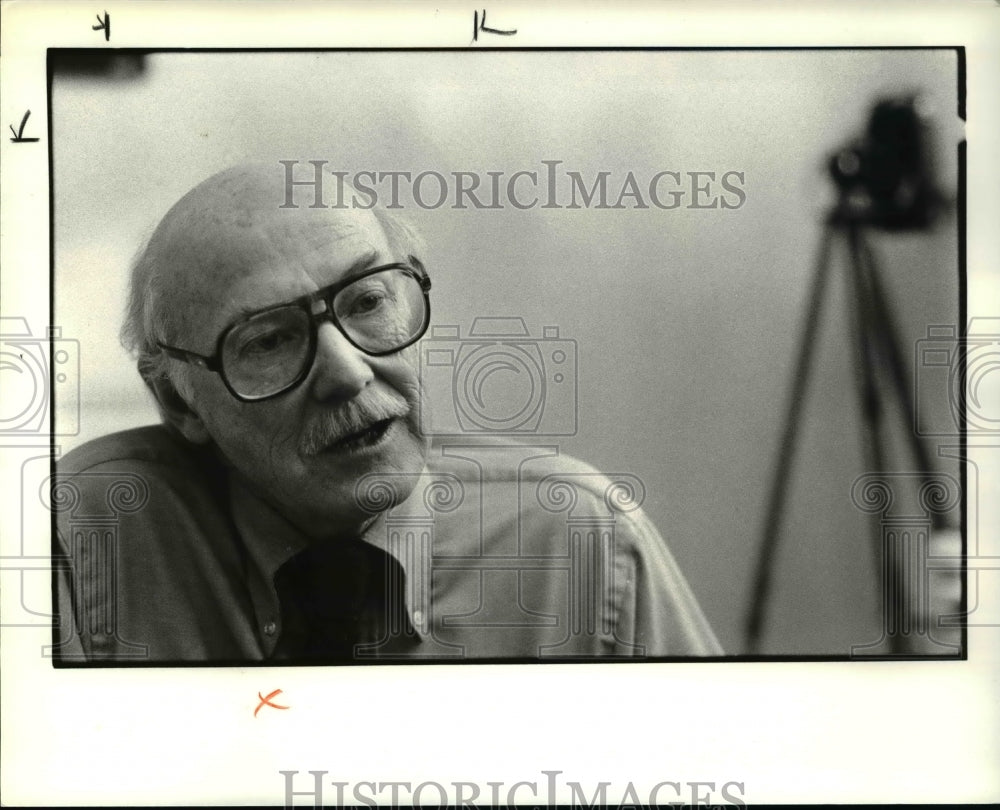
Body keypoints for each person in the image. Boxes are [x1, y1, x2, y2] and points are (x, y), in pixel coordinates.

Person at [53, 162, 721, 663]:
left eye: (368, 301)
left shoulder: (579, 542)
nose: (347, 372)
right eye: (270, 339)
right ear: (178, 398)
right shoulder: (84, 537)